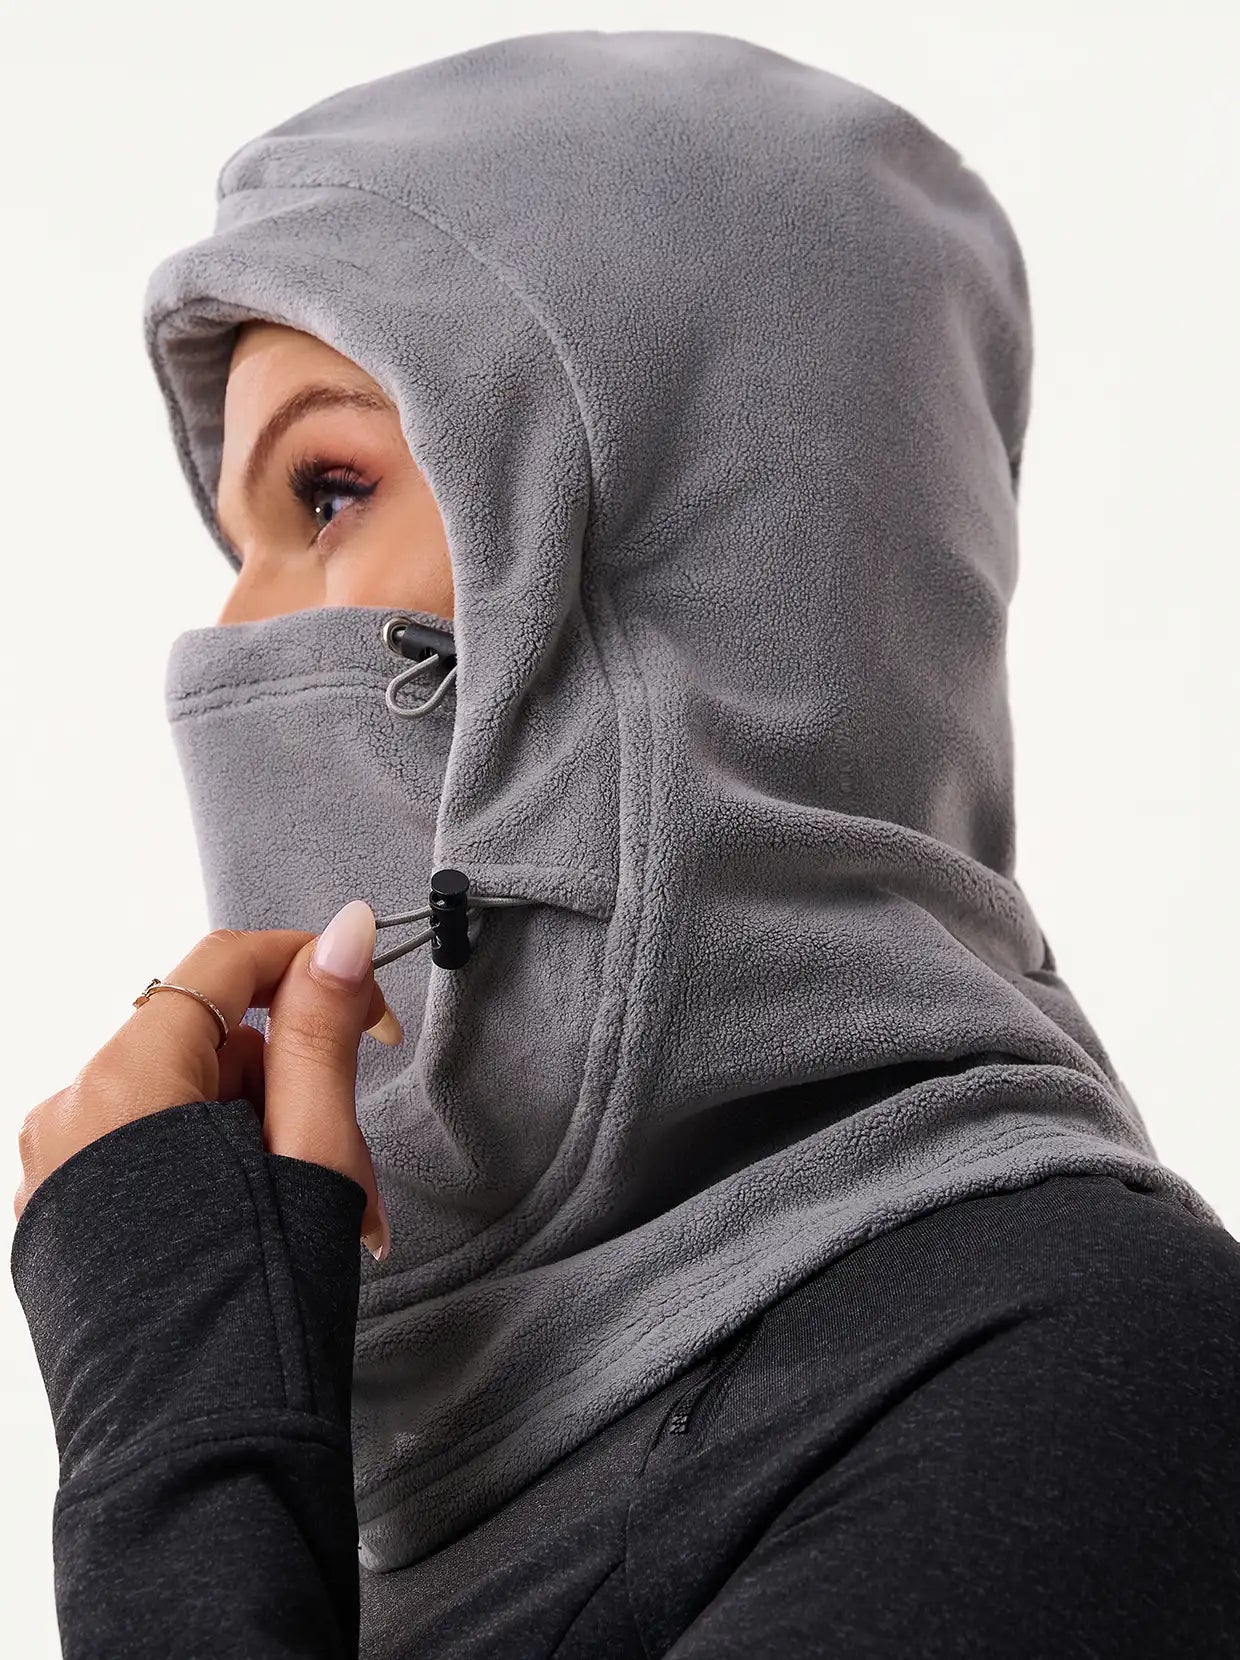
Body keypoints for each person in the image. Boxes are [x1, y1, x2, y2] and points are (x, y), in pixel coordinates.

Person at [12, 29, 1240, 1659]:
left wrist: (173, 1414)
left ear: (705, 565)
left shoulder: (1090, 1375)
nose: (232, 641)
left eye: (325, 491)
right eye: (231, 547)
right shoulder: (406, 1454)